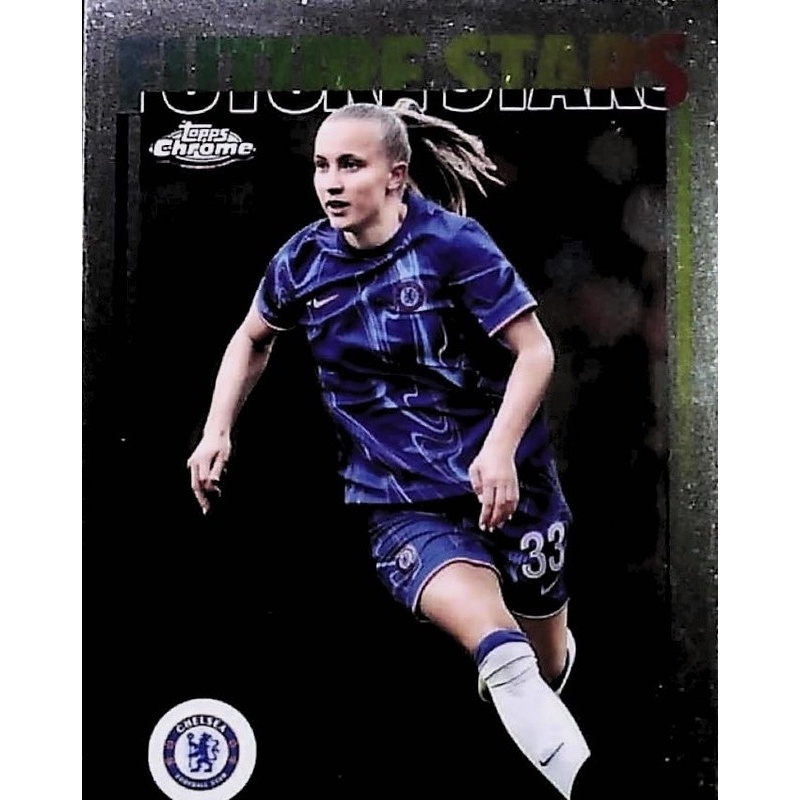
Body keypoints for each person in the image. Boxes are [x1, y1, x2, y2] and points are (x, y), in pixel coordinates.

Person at [187, 100, 590, 797]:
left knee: (544, 663)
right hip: (401, 501)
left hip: (509, 484)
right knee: (504, 659)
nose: (331, 182)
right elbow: (253, 336)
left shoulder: (455, 245)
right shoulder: (303, 261)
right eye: (321, 165)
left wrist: (499, 450)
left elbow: (535, 351)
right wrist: (217, 427)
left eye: (351, 165)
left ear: (396, 175)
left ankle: (542, 677)